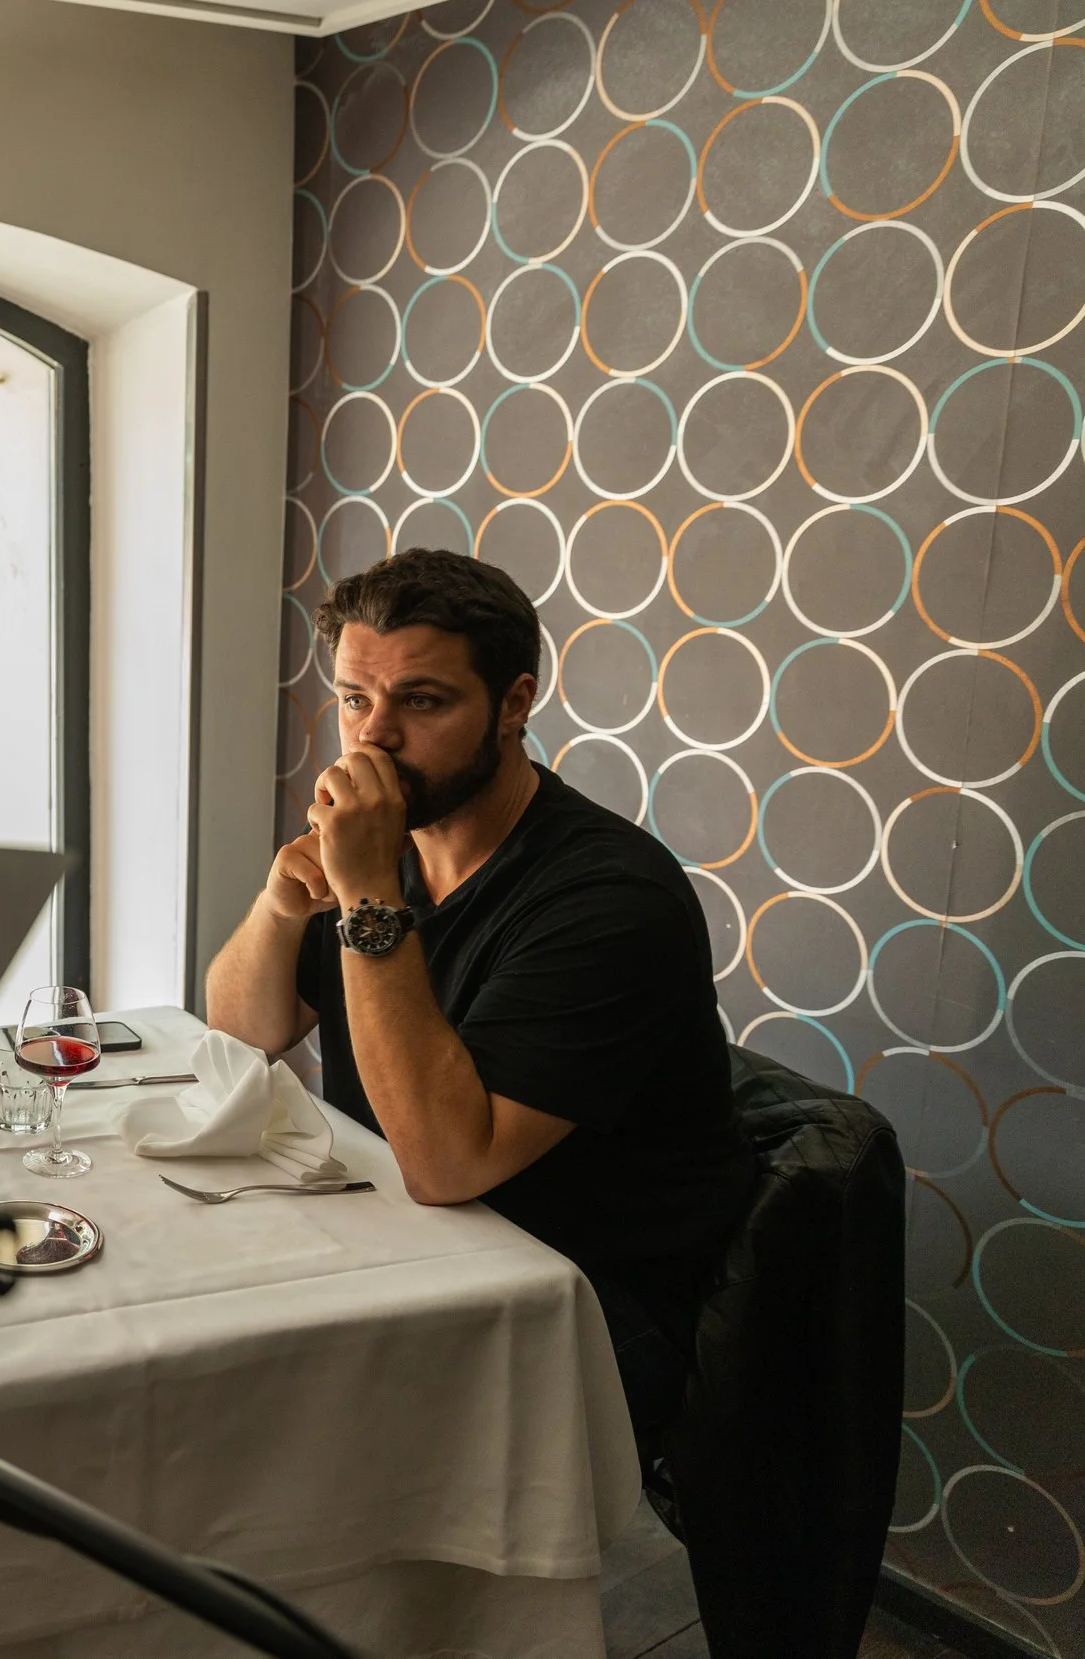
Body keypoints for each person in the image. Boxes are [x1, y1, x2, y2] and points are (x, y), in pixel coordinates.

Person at [206, 549, 753, 1456]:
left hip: (578, 1307)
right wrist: (279, 901)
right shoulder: (390, 846)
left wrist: (370, 900)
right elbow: (241, 1030)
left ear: (513, 703)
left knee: (248, 1423)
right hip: (408, 1248)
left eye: (421, 701)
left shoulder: (611, 900)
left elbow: (447, 1164)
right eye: (354, 698)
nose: (373, 736)